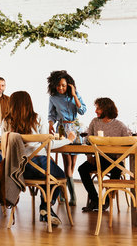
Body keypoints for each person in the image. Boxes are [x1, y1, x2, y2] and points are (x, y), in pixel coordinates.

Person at [5, 90, 76, 226]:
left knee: (51, 175)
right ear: (29, 103)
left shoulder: (6, 121)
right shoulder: (37, 118)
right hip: (40, 164)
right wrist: (69, 140)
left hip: (17, 169)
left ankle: (46, 208)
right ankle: (45, 206)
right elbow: (48, 143)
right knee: (59, 177)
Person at [79, 97, 130, 212]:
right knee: (82, 169)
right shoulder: (94, 122)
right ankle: (95, 199)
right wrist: (89, 156)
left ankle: (107, 201)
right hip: (99, 159)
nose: (96, 111)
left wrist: (118, 158)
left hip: (115, 161)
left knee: (117, 170)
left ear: (106, 109)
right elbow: (88, 141)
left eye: (98, 108)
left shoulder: (121, 126)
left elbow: (128, 146)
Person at [47, 70, 87, 206]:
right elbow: (51, 114)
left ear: (69, 85)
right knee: (67, 163)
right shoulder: (53, 97)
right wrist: (50, 124)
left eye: (63, 85)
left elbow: (82, 111)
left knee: (73, 163)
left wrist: (74, 95)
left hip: (75, 129)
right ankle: (72, 196)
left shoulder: (74, 95)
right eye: (58, 85)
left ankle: (65, 193)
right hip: (63, 130)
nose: (61, 88)